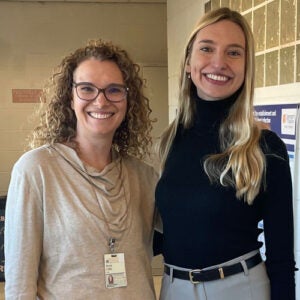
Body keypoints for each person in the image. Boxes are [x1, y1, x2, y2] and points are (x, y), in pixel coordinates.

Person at [155, 7, 296, 300]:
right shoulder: (169, 141)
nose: (218, 63)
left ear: (246, 67)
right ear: (187, 62)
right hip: (173, 287)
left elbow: (282, 257)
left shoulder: (266, 148)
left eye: (234, 52)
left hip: (241, 287)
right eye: (207, 48)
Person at [5, 39, 158, 299]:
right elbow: (19, 282)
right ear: (70, 97)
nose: (101, 101)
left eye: (114, 90)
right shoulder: (36, 170)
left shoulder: (143, 176)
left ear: (127, 99)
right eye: (87, 89)